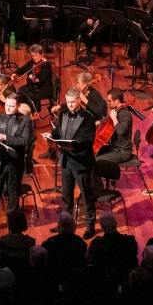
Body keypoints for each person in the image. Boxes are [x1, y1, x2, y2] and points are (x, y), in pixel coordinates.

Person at [0, 95, 33, 234]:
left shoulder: (25, 120)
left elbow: (24, 141)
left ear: (17, 106)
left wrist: (5, 138)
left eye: (12, 106)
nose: (8, 108)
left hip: (14, 164)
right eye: (7, 105)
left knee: (13, 198)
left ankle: (13, 228)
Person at [51, 89, 99, 237]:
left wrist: (73, 146)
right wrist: (51, 136)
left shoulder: (88, 117)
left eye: (73, 102)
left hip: (81, 162)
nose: (70, 105)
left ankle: (90, 225)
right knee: (66, 196)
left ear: (79, 100)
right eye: (68, 102)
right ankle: (65, 223)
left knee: (86, 195)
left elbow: (88, 140)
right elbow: (58, 132)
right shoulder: (63, 113)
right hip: (66, 161)